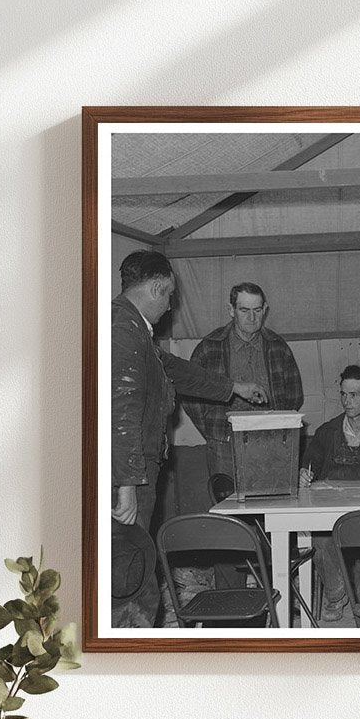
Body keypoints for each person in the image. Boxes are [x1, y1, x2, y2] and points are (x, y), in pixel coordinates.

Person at [110, 251, 267, 626]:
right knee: (128, 568)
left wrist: (233, 387)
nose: (171, 306)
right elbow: (121, 412)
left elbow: (175, 370)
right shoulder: (123, 331)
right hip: (130, 473)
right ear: (154, 288)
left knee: (132, 562)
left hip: (137, 469)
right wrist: (128, 483)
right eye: (169, 296)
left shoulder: (133, 329)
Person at [299, 365, 360, 622]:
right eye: (343, 394)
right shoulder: (327, 430)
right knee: (321, 540)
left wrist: (330, 475)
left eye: (354, 395)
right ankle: (337, 595)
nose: (347, 401)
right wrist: (304, 472)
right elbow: (311, 460)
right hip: (332, 507)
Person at [184, 281, 304, 481]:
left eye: (257, 310)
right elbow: (189, 394)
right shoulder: (209, 347)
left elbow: (294, 395)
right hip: (224, 444)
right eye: (244, 310)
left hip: (271, 442)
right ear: (231, 310)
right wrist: (213, 431)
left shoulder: (278, 347)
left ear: (265, 309)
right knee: (227, 504)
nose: (251, 317)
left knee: (272, 502)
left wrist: (275, 428)